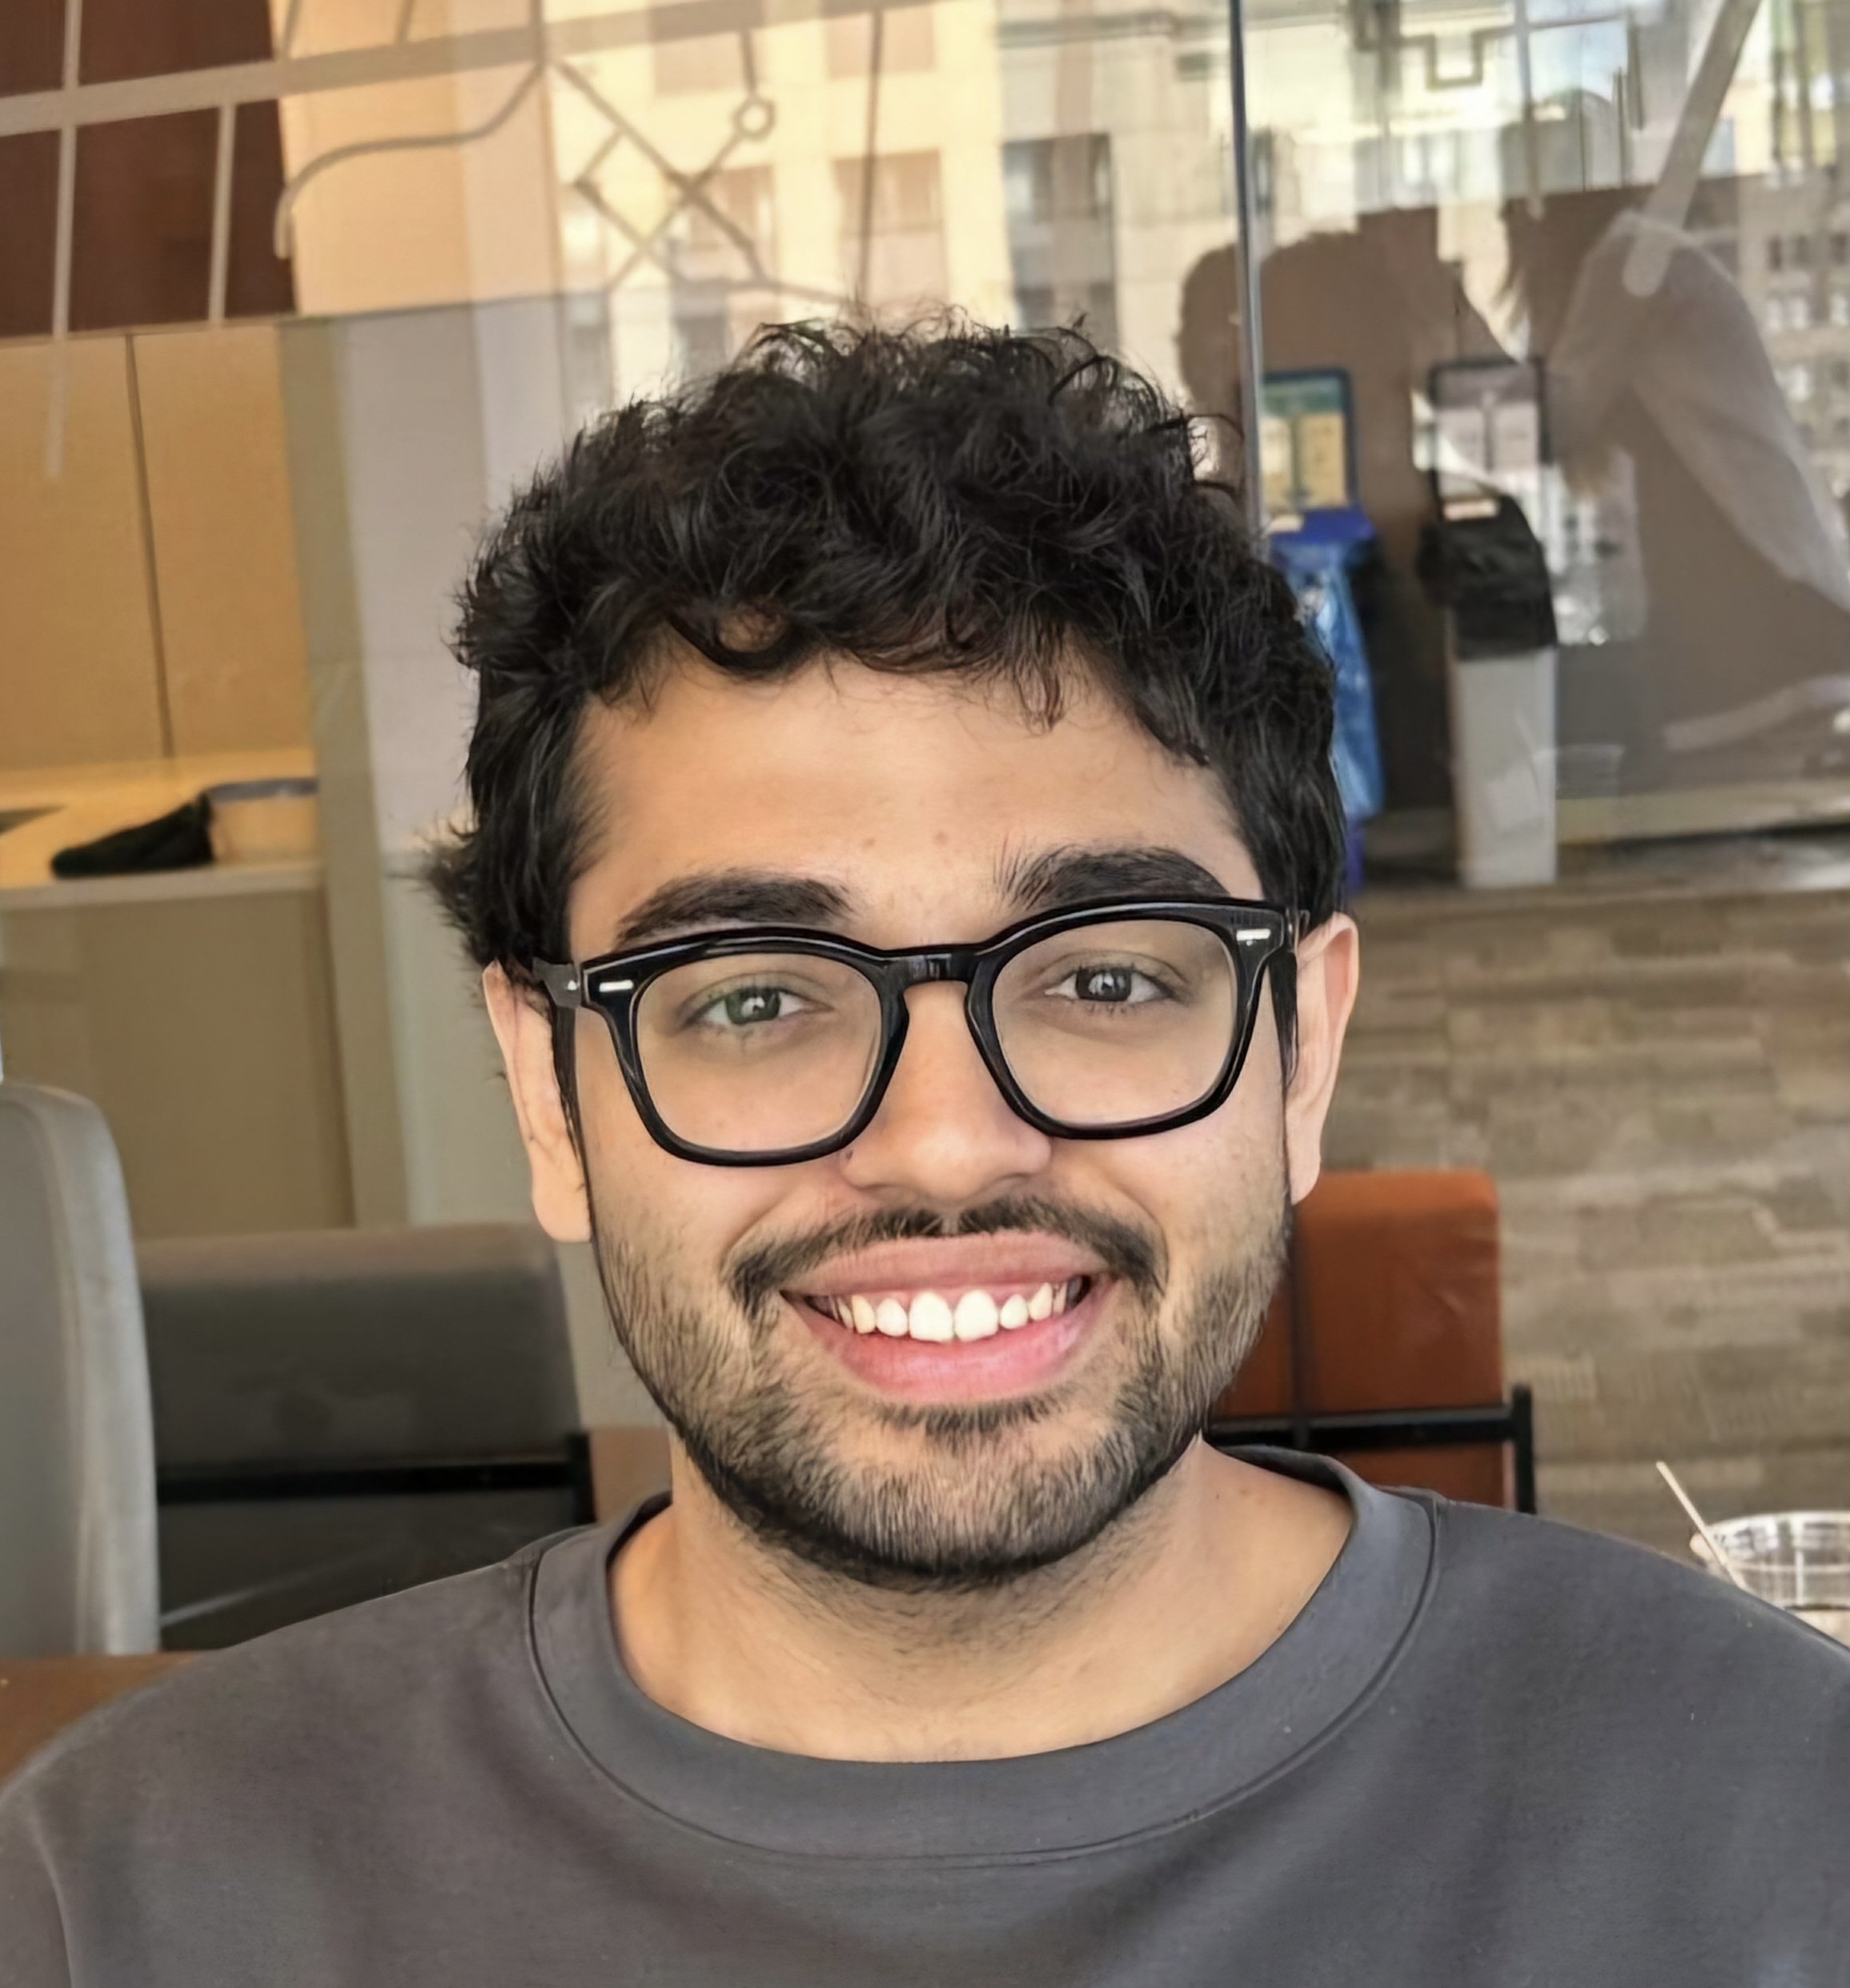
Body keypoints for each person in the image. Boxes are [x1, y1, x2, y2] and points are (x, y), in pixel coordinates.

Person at [3, 322, 1846, 1986]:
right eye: (752, 998)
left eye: (1105, 977)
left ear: (1302, 1052)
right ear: (548, 1093)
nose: (948, 1143)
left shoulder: (1764, 1823)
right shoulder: (130, 1895)